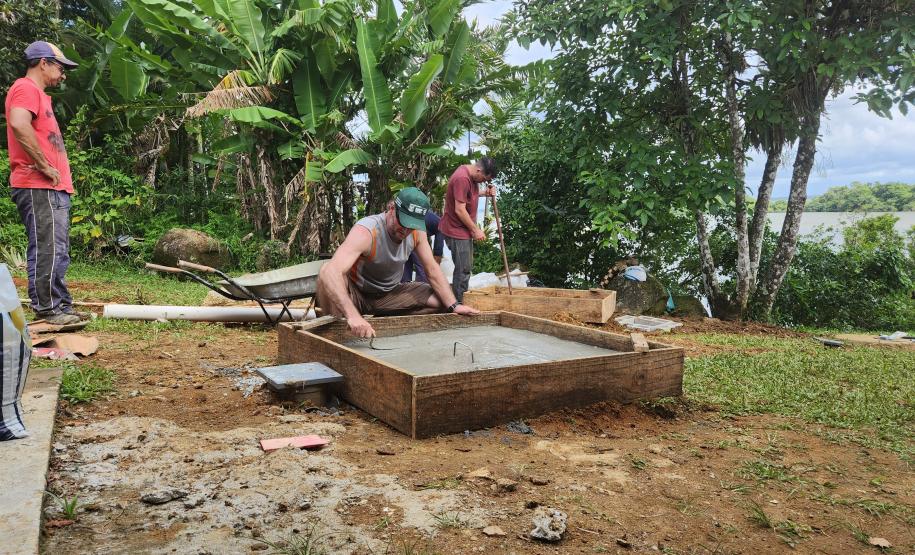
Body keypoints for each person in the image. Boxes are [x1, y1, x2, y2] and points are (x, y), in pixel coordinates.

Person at [316, 187, 479, 338]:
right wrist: (353, 315)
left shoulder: (417, 232)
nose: (406, 231)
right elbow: (330, 271)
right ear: (392, 208)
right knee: (326, 274)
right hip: (357, 293)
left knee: (440, 301)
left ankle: (383, 322)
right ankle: (337, 329)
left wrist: (454, 306)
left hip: (388, 294)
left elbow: (432, 269)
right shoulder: (367, 231)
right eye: (403, 223)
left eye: (411, 226)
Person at [5, 41, 85, 326]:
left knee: (57, 248)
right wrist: (42, 164)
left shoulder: (38, 94)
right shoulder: (25, 88)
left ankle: (60, 304)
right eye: (61, 68)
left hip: (51, 186)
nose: (63, 75)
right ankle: (48, 308)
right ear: (43, 63)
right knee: (47, 247)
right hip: (38, 183)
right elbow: (18, 123)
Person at [439, 157, 497, 303]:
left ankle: (458, 300)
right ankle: (458, 304)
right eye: (484, 179)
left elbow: (468, 195)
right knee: (463, 269)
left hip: (462, 229)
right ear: (479, 170)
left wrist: (484, 193)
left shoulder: (471, 175)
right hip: (456, 230)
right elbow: (459, 209)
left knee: (465, 267)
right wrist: (475, 230)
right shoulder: (462, 178)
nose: (483, 182)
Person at [400, 209, 444, 283]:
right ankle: (422, 286)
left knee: (407, 261)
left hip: (406, 229)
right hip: (414, 230)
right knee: (423, 265)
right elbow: (438, 253)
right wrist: (435, 273)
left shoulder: (434, 220)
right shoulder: (442, 226)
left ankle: (404, 285)